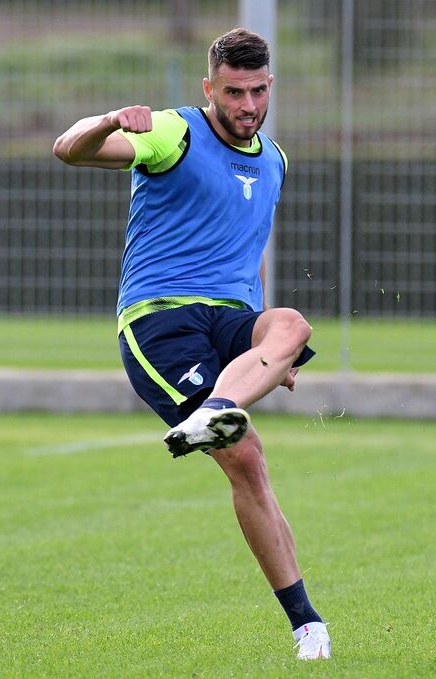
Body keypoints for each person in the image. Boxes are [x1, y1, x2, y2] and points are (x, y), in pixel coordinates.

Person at [53, 28, 331, 661]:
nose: (248, 106)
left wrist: (270, 356)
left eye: (259, 91)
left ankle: (214, 412)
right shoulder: (172, 132)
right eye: (234, 92)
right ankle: (307, 624)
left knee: (292, 324)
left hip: (230, 318)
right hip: (161, 322)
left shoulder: (275, 160)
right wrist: (106, 121)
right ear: (210, 89)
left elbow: (248, 252)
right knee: (248, 459)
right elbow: (68, 150)